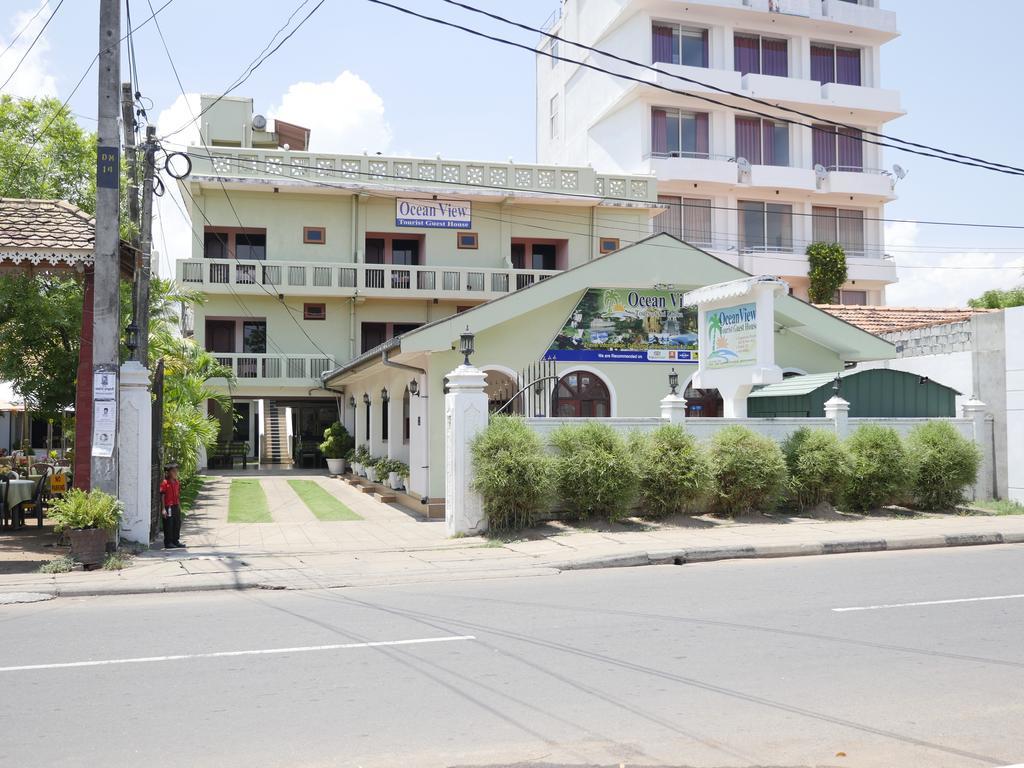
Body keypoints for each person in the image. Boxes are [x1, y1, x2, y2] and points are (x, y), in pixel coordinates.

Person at [159, 464, 184, 549]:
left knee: (177, 524)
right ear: (169, 472)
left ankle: (175, 541)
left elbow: (177, 495)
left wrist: (179, 506)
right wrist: (163, 509)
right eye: (173, 471)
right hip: (168, 507)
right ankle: (168, 542)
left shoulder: (176, 482)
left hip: (176, 506)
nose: (175, 472)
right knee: (169, 524)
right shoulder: (165, 483)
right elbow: (162, 496)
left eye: (176, 471)